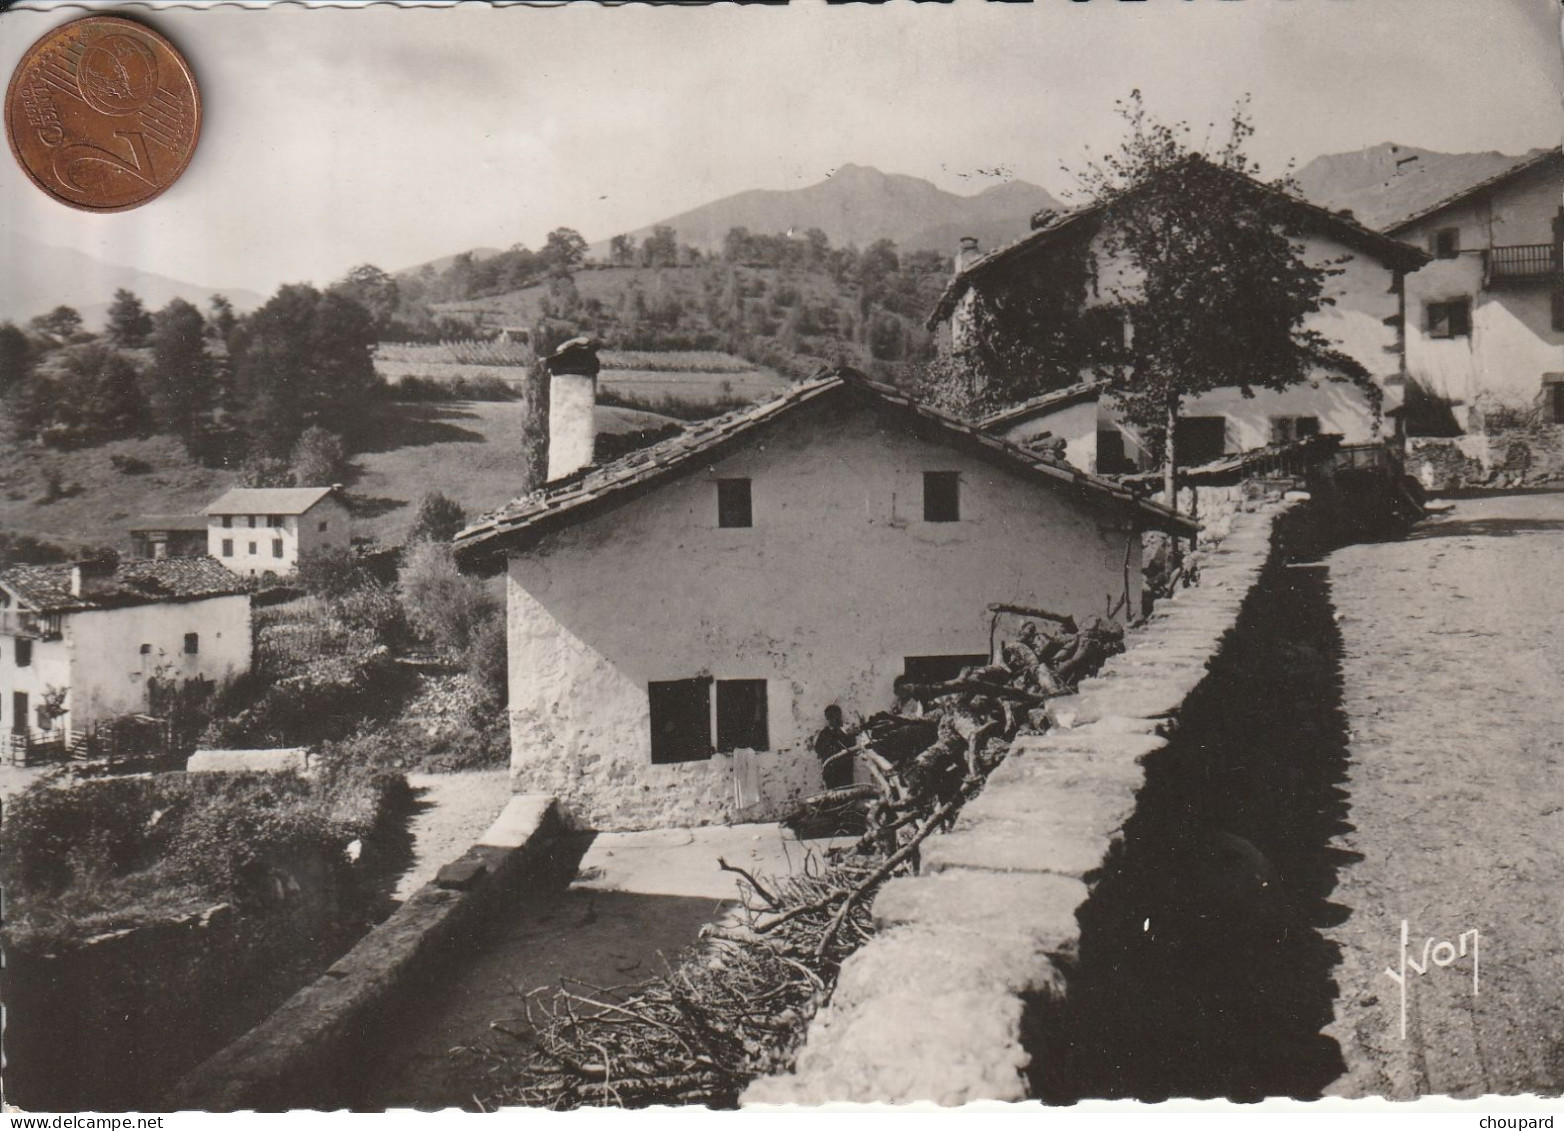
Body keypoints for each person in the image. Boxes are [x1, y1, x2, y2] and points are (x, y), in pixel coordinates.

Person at [813, 704, 856, 790]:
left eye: (837, 716)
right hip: (831, 771)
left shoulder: (845, 731)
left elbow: (853, 746)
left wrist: (844, 734)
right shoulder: (824, 733)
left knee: (847, 791)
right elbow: (819, 750)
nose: (835, 719)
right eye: (832, 717)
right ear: (828, 718)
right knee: (833, 794)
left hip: (845, 770)